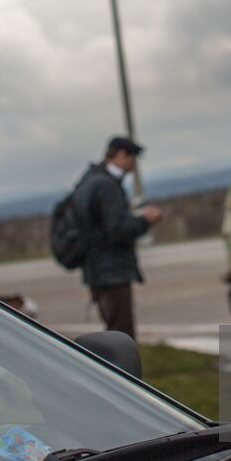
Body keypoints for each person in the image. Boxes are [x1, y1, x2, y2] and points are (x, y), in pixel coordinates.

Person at [73, 135, 163, 339]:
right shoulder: (106, 185)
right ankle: (123, 371)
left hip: (97, 270)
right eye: (132, 159)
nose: (133, 165)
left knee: (115, 329)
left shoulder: (90, 179)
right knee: (122, 335)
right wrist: (145, 221)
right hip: (111, 272)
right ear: (121, 155)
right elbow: (117, 230)